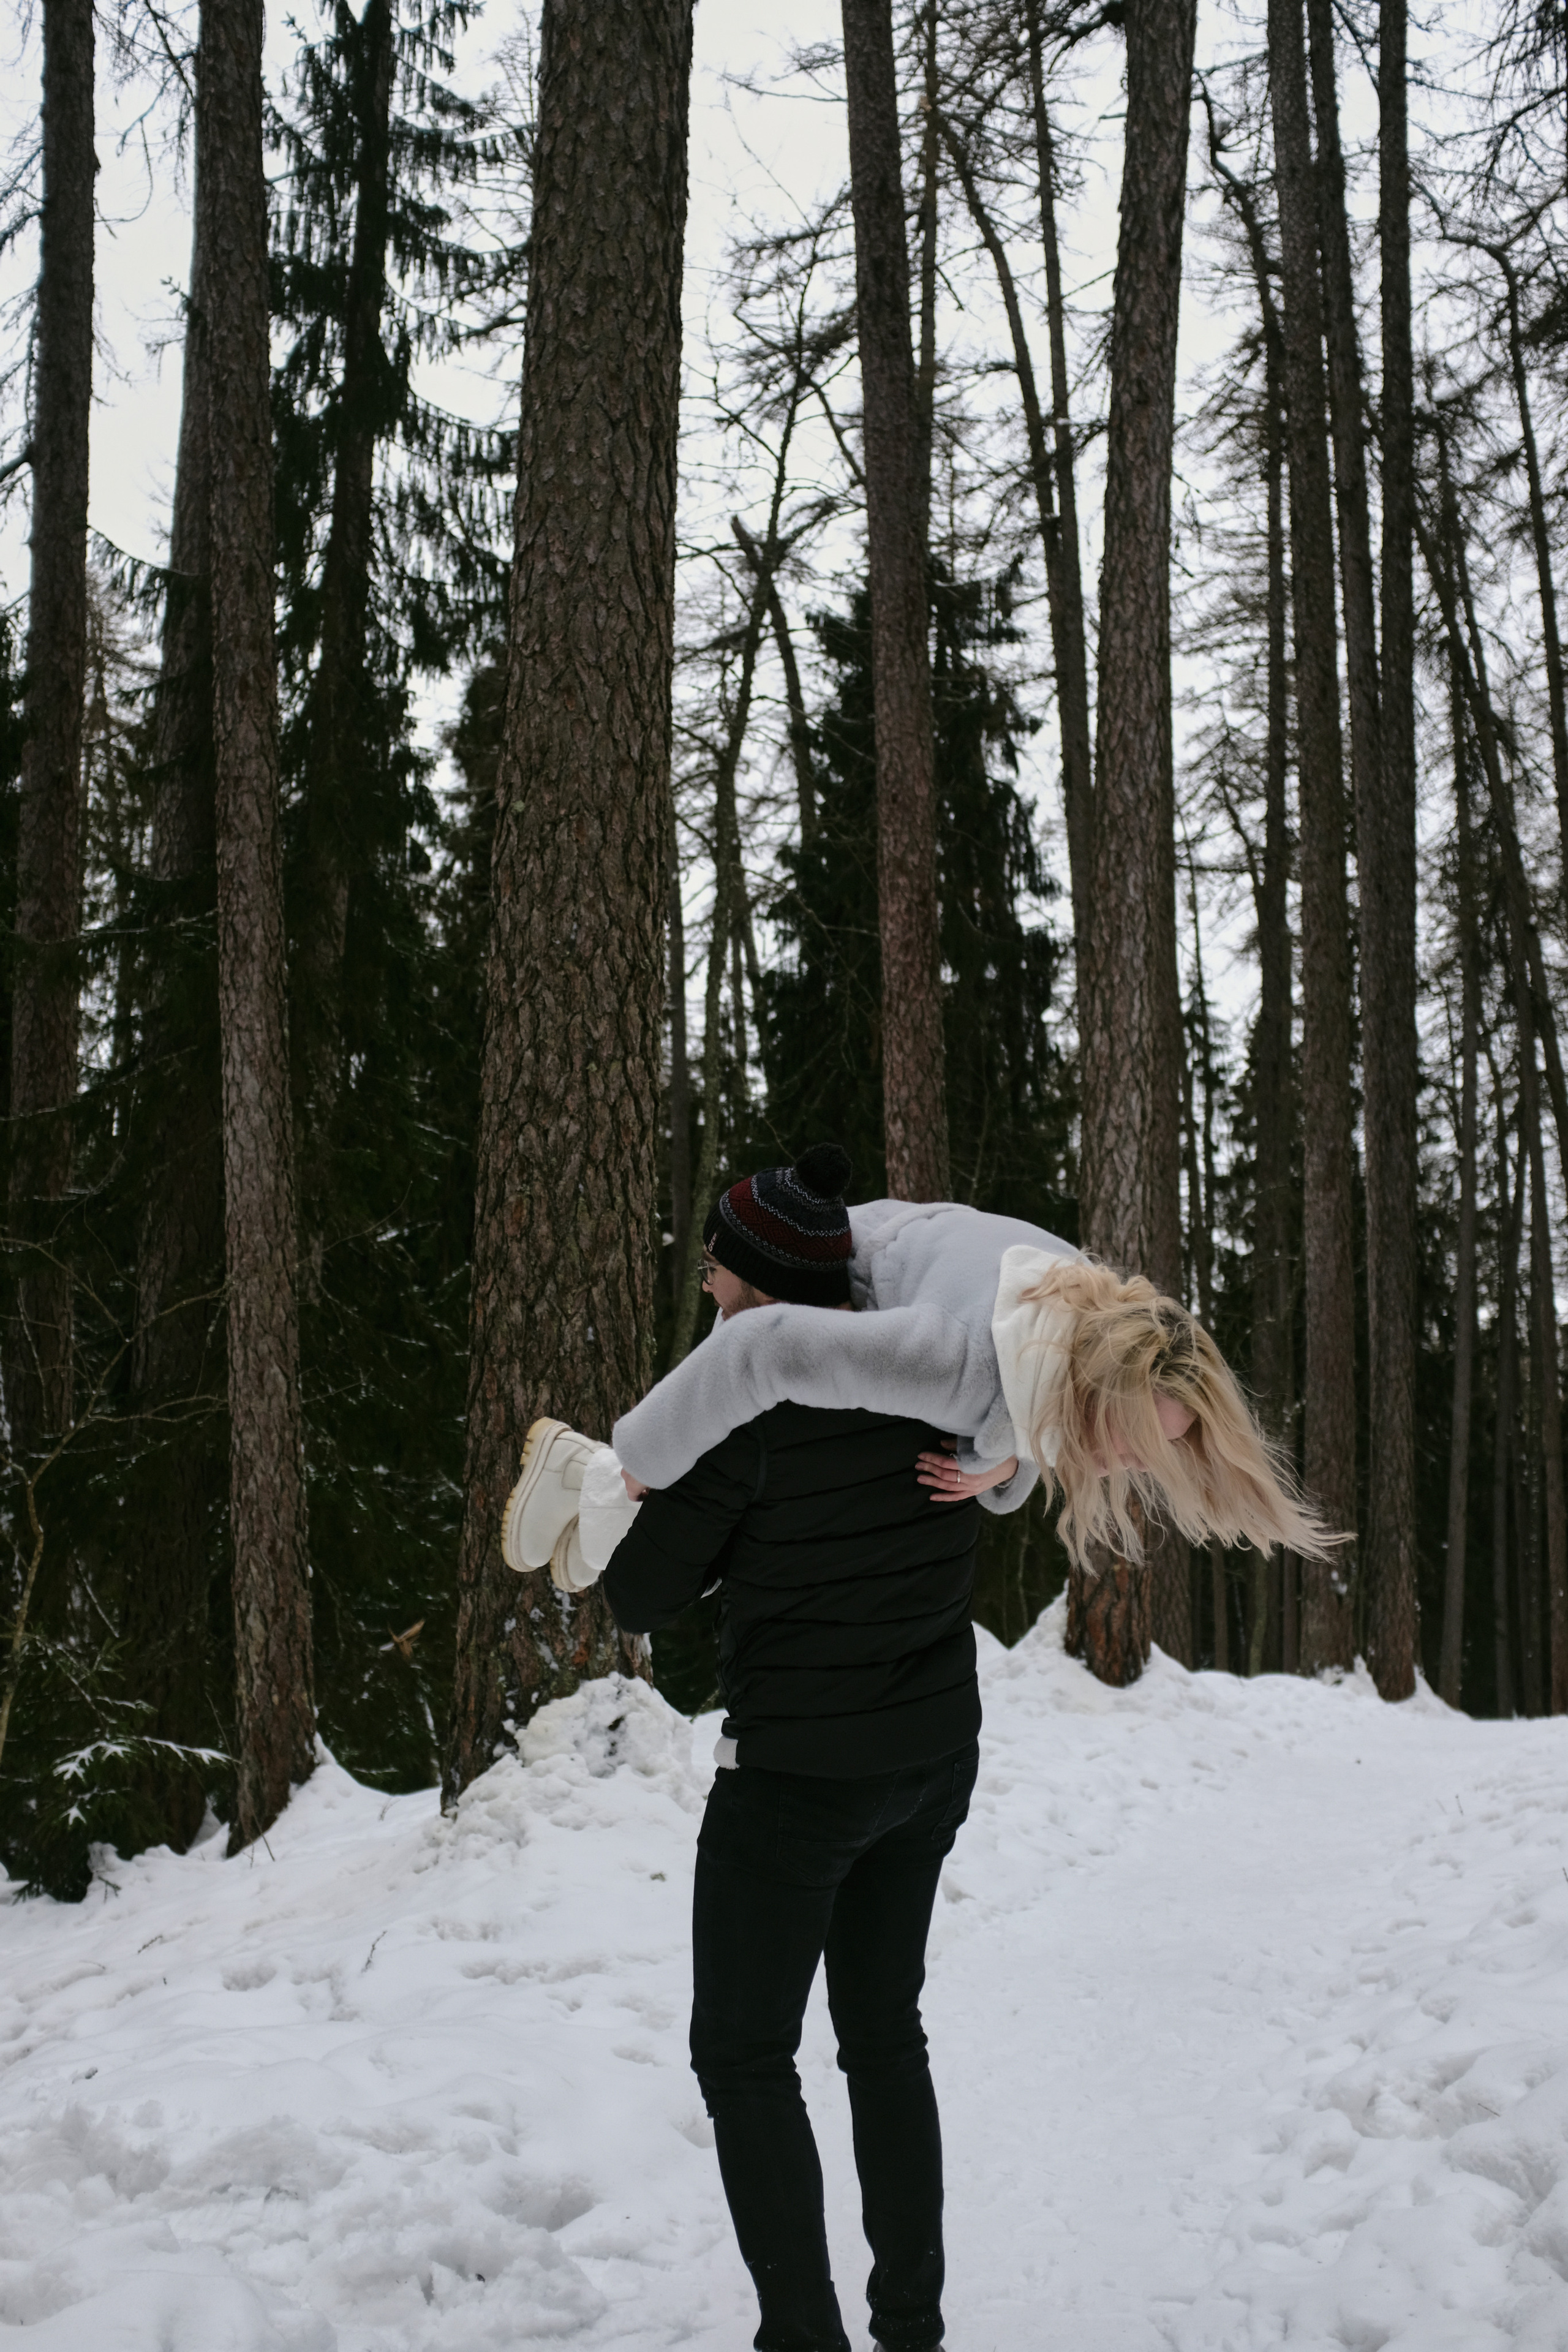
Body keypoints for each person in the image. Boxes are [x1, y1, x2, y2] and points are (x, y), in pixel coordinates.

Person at [503, 1166, 979, 2352]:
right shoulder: (937, 1378)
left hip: (795, 1785)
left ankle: (803, 2338)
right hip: (928, 1756)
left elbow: (640, 1593)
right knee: (882, 2034)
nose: (705, 1283)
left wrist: (667, 1520)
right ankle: (908, 2329)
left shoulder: (747, 1413)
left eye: (715, 1266)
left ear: (757, 1289)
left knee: (742, 2052)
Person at [606, 1143, 1335, 1570]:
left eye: (1161, 1445)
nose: (1142, 1462)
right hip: (821, 1270)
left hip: (911, 1242)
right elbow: (757, 1349)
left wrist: (1008, 1462)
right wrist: (631, 1474)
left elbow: (1041, 1416)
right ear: (1096, 1388)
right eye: (1139, 1436)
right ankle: (595, 1478)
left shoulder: (1097, 1317)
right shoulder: (960, 1367)